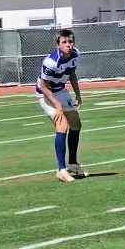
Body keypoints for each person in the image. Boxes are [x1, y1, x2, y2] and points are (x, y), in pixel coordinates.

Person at [36, 28, 87, 182]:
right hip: (46, 94)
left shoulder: (75, 54)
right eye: (64, 42)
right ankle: (61, 170)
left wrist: (78, 94)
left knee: (76, 124)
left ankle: (73, 164)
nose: (68, 45)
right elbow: (43, 87)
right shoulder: (51, 62)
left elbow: (72, 74)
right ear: (58, 44)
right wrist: (57, 105)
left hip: (60, 90)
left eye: (70, 41)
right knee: (62, 125)